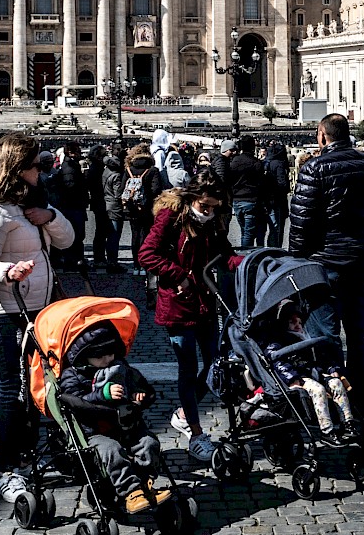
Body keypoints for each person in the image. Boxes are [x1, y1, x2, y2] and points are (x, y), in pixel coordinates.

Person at [0, 133, 75, 503]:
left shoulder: (33, 201)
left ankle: (39, 456)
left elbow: (65, 242)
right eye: (35, 166)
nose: (41, 171)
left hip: (40, 306)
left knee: (44, 386)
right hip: (5, 310)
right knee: (13, 390)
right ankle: (8, 469)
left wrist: (52, 217)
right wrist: (8, 271)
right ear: (17, 168)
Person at [139, 173, 241, 464]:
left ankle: (184, 414)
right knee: (189, 367)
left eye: (214, 208)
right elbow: (146, 254)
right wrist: (179, 275)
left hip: (205, 303)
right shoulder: (171, 218)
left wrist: (248, 264)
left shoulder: (213, 222)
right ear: (192, 198)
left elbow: (225, 254)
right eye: (204, 206)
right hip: (179, 304)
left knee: (215, 365)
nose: (209, 213)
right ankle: (196, 433)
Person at [288, 113, 364, 423]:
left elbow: (301, 223)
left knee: (326, 342)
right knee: (359, 337)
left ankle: (335, 413)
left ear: (322, 135)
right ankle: (362, 409)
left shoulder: (314, 168)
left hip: (324, 265)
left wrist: (295, 262)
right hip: (362, 261)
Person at [58, 321, 171, 514]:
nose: (107, 359)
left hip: (124, 425)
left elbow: (137, 383)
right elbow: (75, 400)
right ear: (85, 356)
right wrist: (103, 394)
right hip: (93, 432)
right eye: (100, 356)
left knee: (149, 443)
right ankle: (131, 492)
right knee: (112, 450)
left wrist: (138, 393)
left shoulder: (119, 366)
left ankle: (144, 483)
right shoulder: (73, 375)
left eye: (110, 354)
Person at [262, 298, 360, 444]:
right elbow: (278, 362)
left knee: (336, 383)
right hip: (299, 376)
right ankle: (327, 430)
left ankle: (347, 422)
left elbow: (323, 358)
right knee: (318, 389)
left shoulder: (307, 338)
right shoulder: (279, 342)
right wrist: (292, 378)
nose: (297, 326)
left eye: (299, 323)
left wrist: (332, 369)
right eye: (292, 322)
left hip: (314, 372)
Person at [121, 142, 164, 274]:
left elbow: (123, 187)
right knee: (146, 236)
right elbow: (156, 189)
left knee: (135, 235)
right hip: (147, 208)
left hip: (131, 207)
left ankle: (135, 265)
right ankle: (145, 264)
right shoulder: (152, 170)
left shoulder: (129, 169)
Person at [226, 134, 270, 247]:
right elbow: (261, 183)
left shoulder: (234, 162)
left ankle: (243, 255)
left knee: (244, 230)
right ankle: (247, 257)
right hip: (251, 200)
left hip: (237, 200)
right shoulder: (256, 163)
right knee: (248, 233)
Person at [101, 147, 129, 274]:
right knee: (114, 236)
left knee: (110, 235)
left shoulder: (106, 170)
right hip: (115, 206)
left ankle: (110, 261)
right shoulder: (117, 175)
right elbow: (118, 194)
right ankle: (113, 262)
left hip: (106, 202)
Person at [263, 141, 290, 248]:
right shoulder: (279, 163)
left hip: (267, 198)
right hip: (278, 199)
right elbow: (282, 183)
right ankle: (276, 248)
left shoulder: (266, 162)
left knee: (272, 226)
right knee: (277, 227)